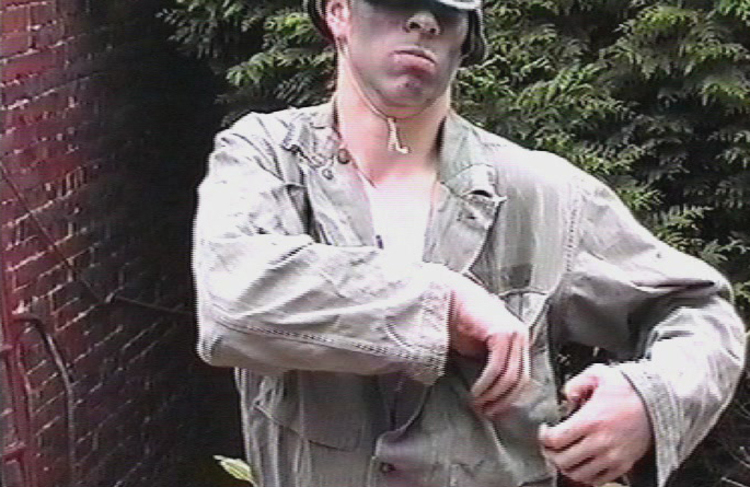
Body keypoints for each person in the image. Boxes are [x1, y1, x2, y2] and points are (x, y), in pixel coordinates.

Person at [191, 0, 746, 485]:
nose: (423, 20)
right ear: (338, 11)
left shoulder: (543, 193)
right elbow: (234, 297)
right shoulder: (268, 158)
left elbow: (699, 310)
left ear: (466, 36)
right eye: (397, 0)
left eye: (447, 8)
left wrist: (651, 399)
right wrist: (439, 302)